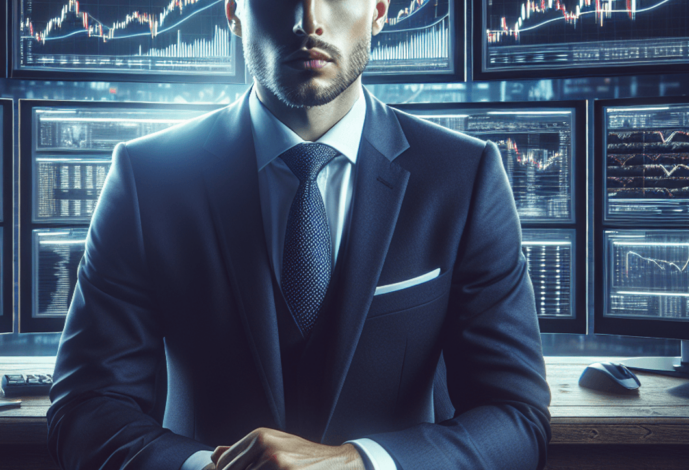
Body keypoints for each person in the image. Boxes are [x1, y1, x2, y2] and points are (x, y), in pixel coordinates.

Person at [46, 0, 552, 469]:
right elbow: (87, 408)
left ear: (378, 9)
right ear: (234, 12)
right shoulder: (147, 178)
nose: (308, 20)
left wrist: (360, 463)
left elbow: (515, 416)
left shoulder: (464, 176)